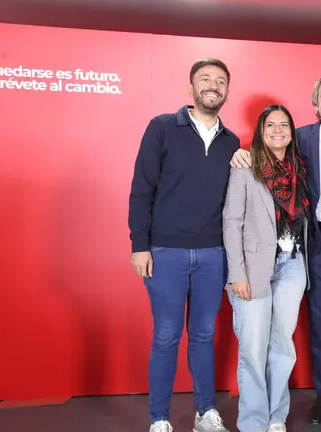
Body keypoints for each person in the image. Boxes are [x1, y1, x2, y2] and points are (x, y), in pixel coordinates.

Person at [229, 74, 321, 426]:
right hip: (317, 242)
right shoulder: (304, 136)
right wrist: (239, 153)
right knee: (319, 321)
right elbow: (270, 154)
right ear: (315, 105)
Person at [128, 59, 238, 432]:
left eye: (220, 81)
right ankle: (159, 418)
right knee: (166, 336)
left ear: (227, 91)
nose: (213, 85)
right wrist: (140, 244)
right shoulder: (161, 127)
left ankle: (205, 412)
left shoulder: (231, 142)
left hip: (213, 254)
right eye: (205, 79)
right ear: (190, 88)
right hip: (165, 252)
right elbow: (142, 188)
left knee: (204, 335)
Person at [223, 105, 311, 432]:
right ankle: (253, 423)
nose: (277, 130)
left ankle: (276, 417)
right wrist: (237, 274)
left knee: (282, 345)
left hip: (293, 265)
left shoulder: (299, 169)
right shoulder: (245, 168)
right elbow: (231, 222)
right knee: (253, 348)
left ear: (291, 131)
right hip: (253, 268)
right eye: (270, 125)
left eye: (283, 125)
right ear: (261, 131)